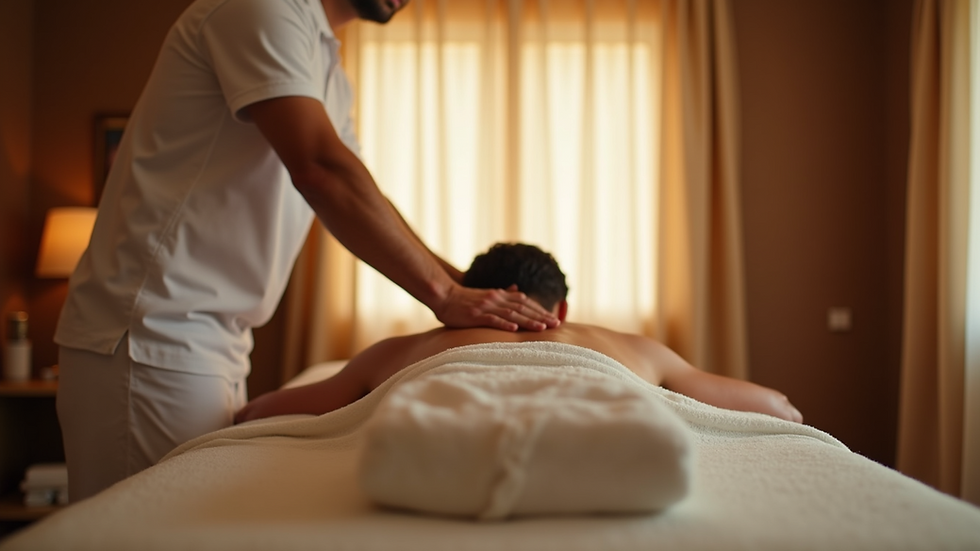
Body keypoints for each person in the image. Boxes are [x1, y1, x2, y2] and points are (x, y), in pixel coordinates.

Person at [53, 0, 558, 502]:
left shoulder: (326, 65)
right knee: (154, 528)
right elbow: (321, 170)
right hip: (153, 330)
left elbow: (362, 197)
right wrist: (445, 294)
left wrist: (466, 287)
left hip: (209, 337)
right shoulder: (261, 8)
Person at [235, 243, 803, 425]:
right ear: (563, 309)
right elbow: (779, 409)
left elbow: (260, 413)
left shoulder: (401, 351)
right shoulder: (629, 346)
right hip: (603, 431)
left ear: (468, 300)